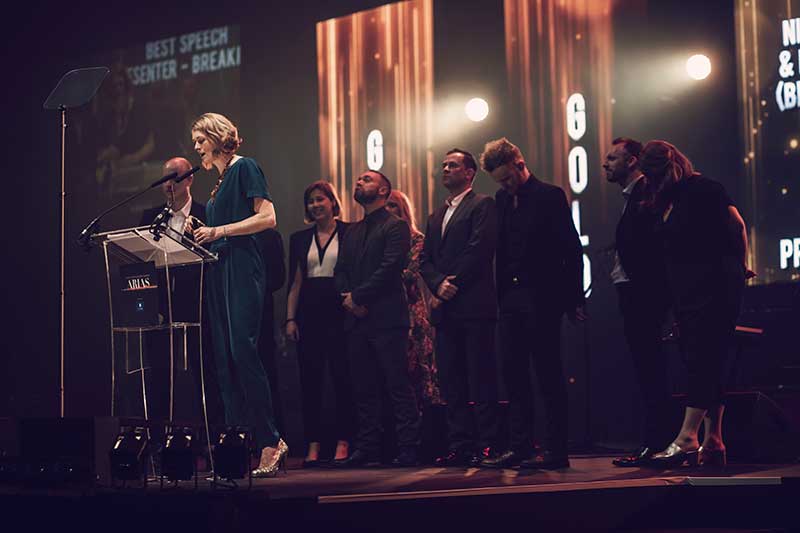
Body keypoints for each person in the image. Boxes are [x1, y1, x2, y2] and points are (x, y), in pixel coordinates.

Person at [639, 140, 751, 468]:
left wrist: (741, 267)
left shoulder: (704, 189)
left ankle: (688, 436)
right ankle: (714, 439)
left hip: (716, 285)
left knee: (704, 356)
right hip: (688, 291)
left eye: (655, 174)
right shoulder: (667, 198)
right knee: (702, 358)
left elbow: (737, 225)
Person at [187, 113, 287, 477]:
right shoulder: (220, 181)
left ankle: (271, 441)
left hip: (242, 267)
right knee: (225, 360)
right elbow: (222, 227)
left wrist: (217, 231)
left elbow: (268, 218)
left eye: (200, 140)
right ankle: (235, 447)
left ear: (216, 137)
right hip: (220, 268)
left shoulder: (245, 167)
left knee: (242, 352)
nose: (196, 147)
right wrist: (204, 231)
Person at [478, 138, 585, 470]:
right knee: (513, 375)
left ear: (520, 164)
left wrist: (574, 299)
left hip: (543, 298)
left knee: (547, 374)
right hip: (510, 300)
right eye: (500, 181)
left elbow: (571, 250)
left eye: (508, 178)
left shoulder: (550, 196)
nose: (505, 186)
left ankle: (556, 449)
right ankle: (521, 446)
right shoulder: (501, 199)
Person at [331, 170, 421, 468]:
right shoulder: (352, 230)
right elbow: (340, 270)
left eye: (367, 179)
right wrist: (348, 298)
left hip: (387, 318)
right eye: (358, 179)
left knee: (397, 385)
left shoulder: (396, 226)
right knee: (363, 388)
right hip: (357, 320)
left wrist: (357, 298)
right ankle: (368, 447)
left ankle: (408, 447)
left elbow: (390, 268)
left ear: (384, 190)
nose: (359, 182)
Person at [419, 149, 500, 467]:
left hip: (474, 305)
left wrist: (450, 284)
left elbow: (479, 249)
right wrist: (438, 284)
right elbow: (425, 259)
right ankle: (460, 444)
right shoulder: (436, 215)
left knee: (481, 378)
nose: (445, 169)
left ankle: (489, 444)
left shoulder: (482, 204)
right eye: (443, 165)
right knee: (452, 382)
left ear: (469, 173)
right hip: (447, 309)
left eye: (452, 165)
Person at [603, 138, 673, 467]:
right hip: (634, 290)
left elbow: (656, 246)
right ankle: (654, 441)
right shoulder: (633, 196)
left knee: (651, 369)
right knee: (647, 369)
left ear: (633, 161)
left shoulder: (647, 193)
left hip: (643, 293)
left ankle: (657, 442)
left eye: (612, 158)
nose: (605, 163)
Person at [286, 180, 354, 467]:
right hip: (309, 313)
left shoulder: (351, 232)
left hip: (341, 312)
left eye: (320, 199)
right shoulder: (299, 238)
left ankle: (344, 441)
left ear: (332, 202)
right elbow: (295, 282)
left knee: (343, 379)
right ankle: (313, 443)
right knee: (310, 380)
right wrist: (290, 318)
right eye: (310, 201)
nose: (315, 205)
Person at [386, 190, 441, 408]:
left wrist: (379, 276)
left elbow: (409, 274)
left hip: (409, 308)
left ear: (403, 210)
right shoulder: (377, 239)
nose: (388, 210)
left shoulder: (417, 239)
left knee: (416, 367)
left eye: (393, 205)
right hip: (383, 310)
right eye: (385, 206)